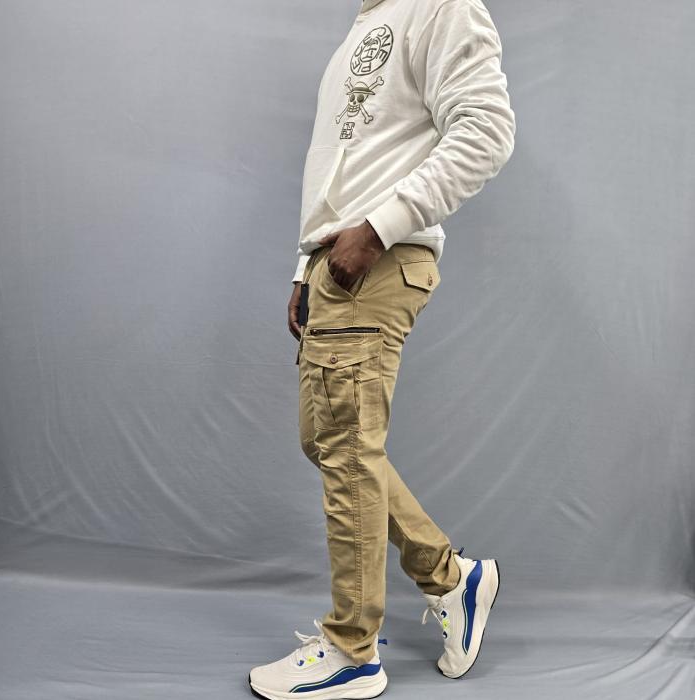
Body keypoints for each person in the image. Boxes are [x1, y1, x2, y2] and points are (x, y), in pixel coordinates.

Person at [249, 0, 515, 697]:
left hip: (377, 260)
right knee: (329, 441)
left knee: (346, 449)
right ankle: (452, 579)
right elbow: (344, 168)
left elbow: (487, 130)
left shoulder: (441, 6)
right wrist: (305, 267)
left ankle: (352, 651)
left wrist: (377, 229)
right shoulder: (365, 24)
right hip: (336, 266)